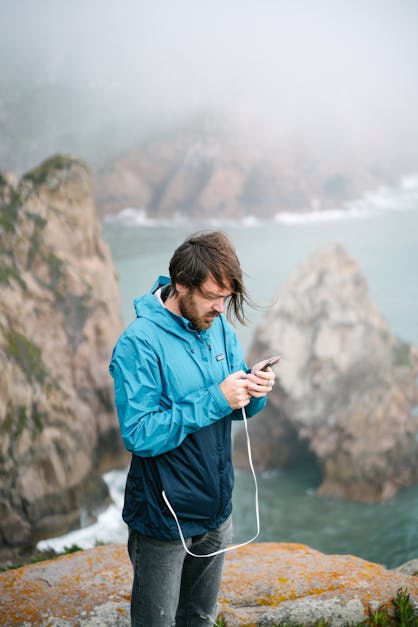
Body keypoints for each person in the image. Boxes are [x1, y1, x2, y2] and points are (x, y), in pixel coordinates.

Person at [109, 230, 276, 627]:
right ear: (180, 284)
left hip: (217, 511)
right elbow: (139, 433)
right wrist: (216, 398)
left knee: (201, 618)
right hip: (164, 519)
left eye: (227, 297)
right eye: (211, 296)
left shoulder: (219, 328)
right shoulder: (139, 343)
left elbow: (233, 410)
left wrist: (254, 392)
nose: (220, 308)